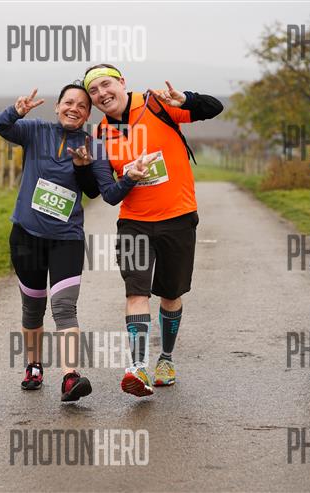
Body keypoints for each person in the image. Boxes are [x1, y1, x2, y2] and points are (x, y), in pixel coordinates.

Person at [0, 84, 147, 402]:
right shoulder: (36, 131)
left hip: (67, 239)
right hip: (26, 236)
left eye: (82, 106)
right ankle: (34, 366)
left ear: (88, 114)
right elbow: (0, 126)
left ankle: (70, 376)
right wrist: (16, 112)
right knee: (32, 308)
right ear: (58, 106)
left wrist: (128, 178)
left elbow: (105, 194)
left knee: (64, 307)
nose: (74, 108)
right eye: (68, 102)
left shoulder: (94, 147)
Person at [79, 63, 224, 397]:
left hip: (178, 217)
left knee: (171, 294)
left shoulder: (157, 104)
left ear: (121, 82)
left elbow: (214, 108)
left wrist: (186, 99)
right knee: (136, 293)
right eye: (94, 91)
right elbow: (106, 193)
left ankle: (166, 359)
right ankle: (138, 367)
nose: (102, 94)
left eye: (106, 85)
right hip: (134, 223)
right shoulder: (100, 135)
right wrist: (126, 177)